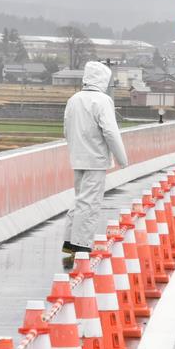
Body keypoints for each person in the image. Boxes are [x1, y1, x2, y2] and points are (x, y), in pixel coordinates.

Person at [62, 61, 128, 255]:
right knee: (90, 203)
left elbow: (66, 129)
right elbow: (110, 132)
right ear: (103, 80)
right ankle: (82, 246)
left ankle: (68, 242)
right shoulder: (102, 100)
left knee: (79, 200)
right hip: (95, 159)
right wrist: (122, 159)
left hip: (77, 158)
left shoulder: (73, 99)